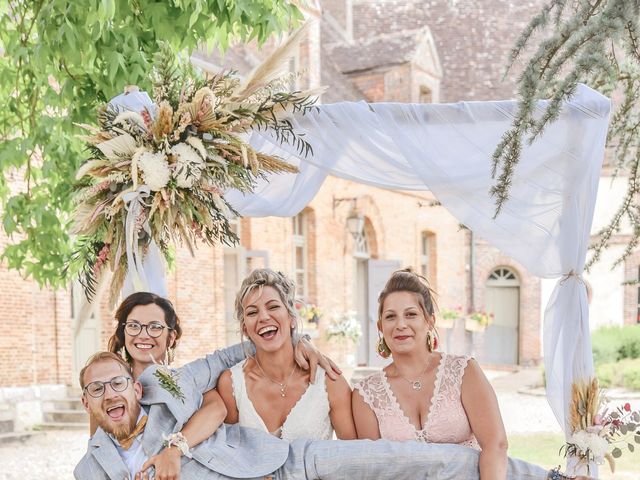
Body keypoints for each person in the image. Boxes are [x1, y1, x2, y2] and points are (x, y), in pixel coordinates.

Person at [75, 350, 562, 480]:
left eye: (117, 383)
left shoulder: (166, 394)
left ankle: (547, 479)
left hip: (288, 461)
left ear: (134, 387)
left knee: (411, 460)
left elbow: (226, 365)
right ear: (87, 402)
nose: (110, 393)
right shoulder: (89, 468)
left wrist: (174, 448)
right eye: (97, 389)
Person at [351, 269, 591, 480]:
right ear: (380, 327)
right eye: (390, 316)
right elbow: (376, 470)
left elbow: (495, 445)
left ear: (430, 321)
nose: (400, 324)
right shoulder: (366, 395)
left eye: (411, 314)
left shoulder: (464, 372)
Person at [97, 291, 338, 477]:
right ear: (123, 331)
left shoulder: (191, 380)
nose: (143, 334)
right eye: (134, 325)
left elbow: (221, 387)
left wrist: (297, 339)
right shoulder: (106, 392)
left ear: (171, 337)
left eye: (155, 327)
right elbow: (99, 452)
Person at [217, 268, 356, 440]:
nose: (264, 317)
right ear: (245, 329)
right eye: (252, 312)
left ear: (292, 318)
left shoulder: (330, 381)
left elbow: (352, 456)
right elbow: (228, 453)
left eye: (273, 306)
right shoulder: (231, 385)